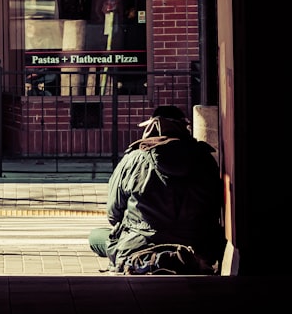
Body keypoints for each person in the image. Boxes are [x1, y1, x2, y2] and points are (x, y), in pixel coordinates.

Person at [88, 105, 226, 274]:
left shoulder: (133, 159)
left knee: (96, 236)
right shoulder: (205, 159)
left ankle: (151, 259)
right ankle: (180, 258)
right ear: (184, 128)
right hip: (197, 242)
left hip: (141, 242)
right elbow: (215, 207)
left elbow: (113, 213)